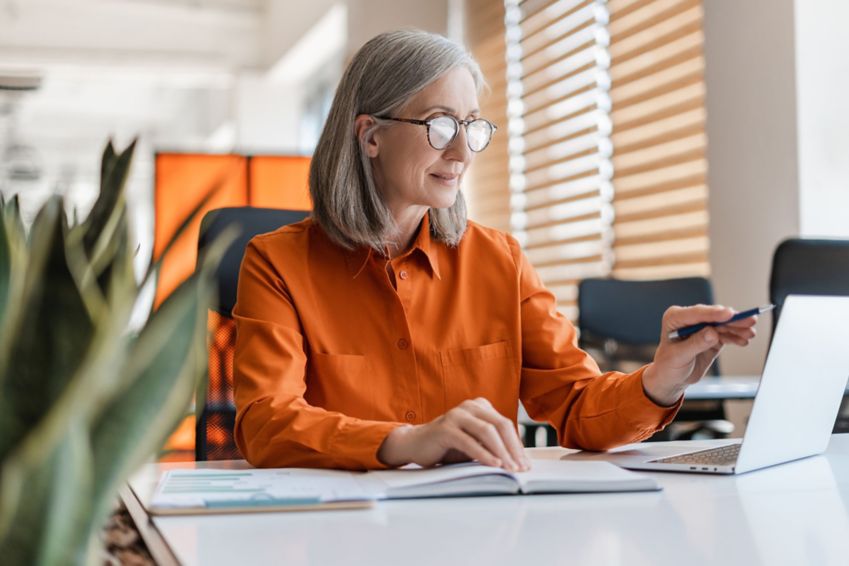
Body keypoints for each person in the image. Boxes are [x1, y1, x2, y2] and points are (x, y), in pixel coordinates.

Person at [232, 29, 756, 472]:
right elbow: (265, 420)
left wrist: (660, 379)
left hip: (482, 529)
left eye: (471, 126)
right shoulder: (277, 263)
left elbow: (576, 405)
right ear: (371, 136)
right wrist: (402, 441)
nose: (461, 152)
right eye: (439, 125)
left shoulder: (499, 261)